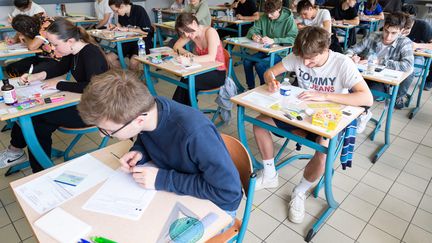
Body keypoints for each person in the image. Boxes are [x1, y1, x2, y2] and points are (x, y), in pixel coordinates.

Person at [77, 69, 243, 222]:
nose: (101, 134)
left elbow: (227, 193)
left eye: (107, 130)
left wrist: (162, 179)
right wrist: (140, 151)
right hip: (179, 191)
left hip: (215, 206)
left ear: (139, 120)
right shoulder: (149, 110)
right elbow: (149, 136)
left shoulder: (195, 132)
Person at [253, 26, 373, 224]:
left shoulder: (342, 63)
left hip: (325, 120)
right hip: (299, 114)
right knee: (259, 123)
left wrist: (324, 95)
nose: (306, 64)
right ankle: (269, 174)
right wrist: (271, 81)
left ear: (325, 49)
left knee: (323, 148)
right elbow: (269, 72)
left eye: (312, 60)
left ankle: (299, 192)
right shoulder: (299, 56)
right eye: (303, 59)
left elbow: (366, 98)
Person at [0, 18, 109, 172]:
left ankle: (23, 157)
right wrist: (36, 76)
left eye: (56, 45)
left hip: (96, 109)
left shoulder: (91, 53)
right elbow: (60, 68)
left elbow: (92, 87)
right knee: (36, 122)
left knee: (35, 116)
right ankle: (28, 160)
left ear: (70, 40)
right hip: (83, 101)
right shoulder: (73, 51)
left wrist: (59, 85)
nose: (53, 49)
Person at [346, 12, 414, 109]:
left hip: (381, 82)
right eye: (386, 31)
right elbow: (350, 50)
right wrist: (351, 57)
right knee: (345, 93)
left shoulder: (405, 42)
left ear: (401, 31)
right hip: (361, 76)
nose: (388, 37)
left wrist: (379, 61)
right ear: (384, 26)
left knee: (363, 100)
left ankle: (358, 117)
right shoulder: (373, 36)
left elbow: (407, 65)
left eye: (393, 33)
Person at [172, 13, 226, 106]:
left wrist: (190, 60)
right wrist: (187, 54)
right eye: (183, 32)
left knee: (188, 80)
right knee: (186, 78)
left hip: (217, 73)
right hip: (203, 69)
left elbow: (211, 57)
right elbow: (176, 46)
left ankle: (183, 109)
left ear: (194, 23)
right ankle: (182, 109)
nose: (187, 35)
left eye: (187, 31)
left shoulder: (210, 32)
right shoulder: (191, 33)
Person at [244, 0, 298, 89]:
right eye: (267, 13)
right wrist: (253, 35)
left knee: (260, 65)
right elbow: (252, 29)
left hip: (281, 53)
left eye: (272, 13)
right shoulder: (265, 17)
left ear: (279, 9)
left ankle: (265, 88)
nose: (269, 15)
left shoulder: (289, 20)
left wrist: (274, 40)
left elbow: (293, 39)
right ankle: (251, 88)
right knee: (247, 61)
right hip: (266, 51)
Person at [106, 0, 153, 70]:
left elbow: (145, 32)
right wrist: (114, 27)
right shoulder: (122, 14)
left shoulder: (139, 10)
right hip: (127, 41)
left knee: (133, 62)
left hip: (142, 42)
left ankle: (133, 78)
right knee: (109, 58)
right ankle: (125, 76)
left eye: (116, 11)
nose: (115, 13)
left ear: (122, 6)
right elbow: (120, 25)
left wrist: (128, 29)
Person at [402, 5, 432, 90]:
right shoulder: (399, 23)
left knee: (410, 70)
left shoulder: (423, 26)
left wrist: (417, 45)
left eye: (408, 18)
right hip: (399, 53)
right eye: (403, 17)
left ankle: (429, 80)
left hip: (418, 54)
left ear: (414, 17)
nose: (406, 21)